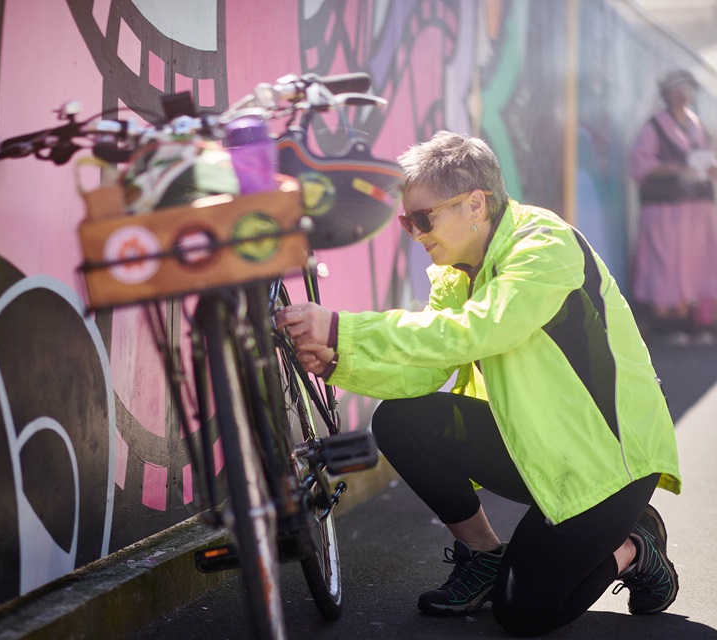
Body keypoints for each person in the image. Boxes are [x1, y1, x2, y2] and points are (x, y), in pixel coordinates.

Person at [276, 131, 682, 637]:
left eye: (423, 218)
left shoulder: (543, 247)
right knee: (402, 422)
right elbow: (424, 371)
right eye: (407, 221)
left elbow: (479, 329)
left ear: (474, 203)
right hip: (536, 446)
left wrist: (342, 328)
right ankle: (486, 557)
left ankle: (635, 546)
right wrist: (338, 361)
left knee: (523, 615)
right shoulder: (457, 271)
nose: (415, 232)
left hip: (608, 463)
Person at [630, 68, 717, 346]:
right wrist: (674, 169)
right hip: (665, 209)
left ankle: (687, 319)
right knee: (665, 263)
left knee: (692, 265)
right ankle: (663, 323)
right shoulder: (654, 126)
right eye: (678, 89)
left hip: (696, 210)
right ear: (668, 94)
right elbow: (640, 165)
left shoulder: (696, 124)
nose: (684, 95)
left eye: (688, 89)